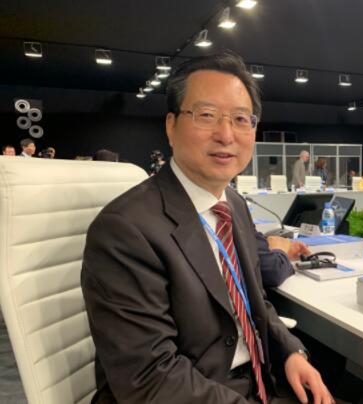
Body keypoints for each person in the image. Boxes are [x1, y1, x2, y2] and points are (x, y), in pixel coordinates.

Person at [81, 51, 334, 404]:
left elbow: (254, 300)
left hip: (258, 381)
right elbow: (149, 379)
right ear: (171, 126)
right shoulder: (124, 230)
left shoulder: (234, 206)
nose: (226, 134)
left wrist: (291, 351)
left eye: (241, 119)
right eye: (206, 115)